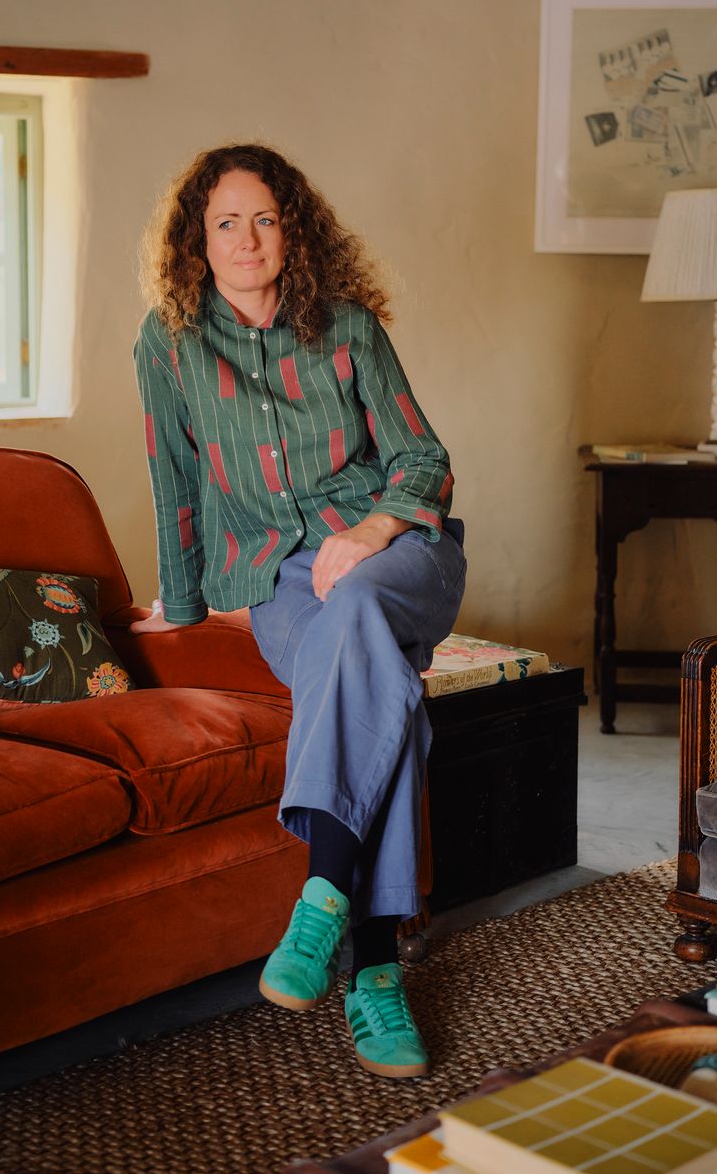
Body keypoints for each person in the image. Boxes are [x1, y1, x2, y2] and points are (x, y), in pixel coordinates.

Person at [132, 144, 466, 1079]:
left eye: (265, 218)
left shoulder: (348, 326)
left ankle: (322, 893)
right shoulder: (168, 341)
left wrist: (368, 533)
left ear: (295, 229)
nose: (247, 238)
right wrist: (186, 604)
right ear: (199, 240)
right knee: (382, 682)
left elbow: (423, 459)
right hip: (276, 577)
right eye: (226, 222)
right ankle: (375, 974)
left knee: (358, 600)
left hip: (401, 554)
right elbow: (175, 482)